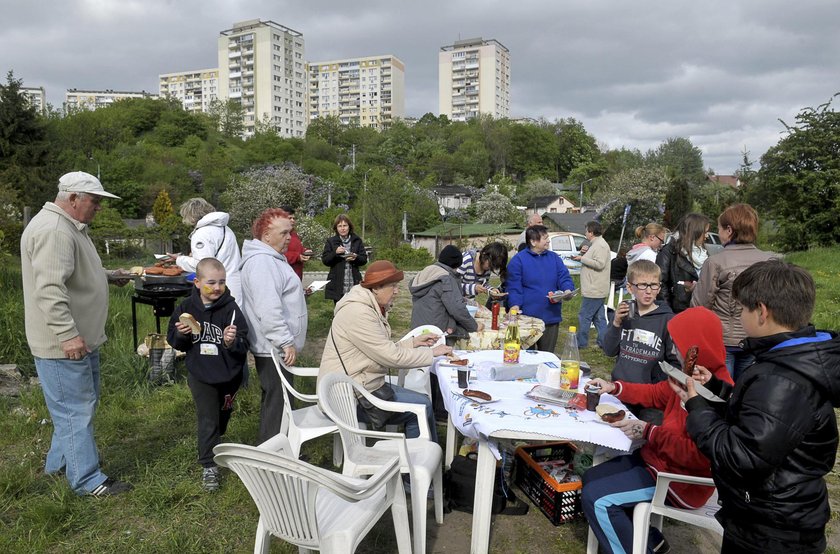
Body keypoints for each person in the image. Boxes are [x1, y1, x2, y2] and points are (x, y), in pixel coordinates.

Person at [680, 260, 840, 554]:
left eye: (742, 309)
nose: (739, 316)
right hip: (775, 515)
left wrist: (697, 408)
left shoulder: (781, 379)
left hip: (772, 528)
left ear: (762, 312)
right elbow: (766, 418)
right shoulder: (792, 359)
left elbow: (740, 456)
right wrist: (717, 388)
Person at [583, 306, 733, 554]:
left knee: (599, 499)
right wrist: (614, 387)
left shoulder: (716, 393)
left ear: (698, 345)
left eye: (678, 343)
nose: (673, 349)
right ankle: (649, 540)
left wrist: (648, 431)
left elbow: (695, 456)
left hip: (680, 482)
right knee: (591, 477)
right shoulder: (688, 374)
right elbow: (655, 393)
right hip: (657, 463)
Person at [20, 171, 133, 496]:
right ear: (72, 198)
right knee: (74, 410)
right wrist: (68, 335)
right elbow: (50, 290)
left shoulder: (69, 227)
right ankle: (87, 481)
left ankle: (58, 466)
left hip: (78, 340)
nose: (98, 208)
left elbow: (71, 273)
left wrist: (108, 276)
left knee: (76, 407)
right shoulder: (55, 230)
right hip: (62, 345)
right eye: (94, 202)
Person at [318, 260, 452, 441]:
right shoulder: (359, 313)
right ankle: (417, 465)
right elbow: (390, 357)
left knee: (422, 402)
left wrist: (414, 342)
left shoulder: (367, 306)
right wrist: (432, 354)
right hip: (348, 398)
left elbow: (380, 349)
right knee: (422, 407)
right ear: (376, 288)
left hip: (362, 385)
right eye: (393, 286)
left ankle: (423, 459)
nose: (397, 291)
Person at [167, 258, 249, 492]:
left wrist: (232, 342)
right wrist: (181, 334)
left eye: (221, 282)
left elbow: (244, 343)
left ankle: (215, 441)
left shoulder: (232, 309)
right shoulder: (185, 309)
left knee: (222, 417)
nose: (217, 288)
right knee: (208, 419)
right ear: (197, 282)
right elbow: (176, 342)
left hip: (228, 376)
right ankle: (209, 466)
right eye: (211, 282)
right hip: (200, 374)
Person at [239, 208, 308, 443]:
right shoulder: (262, 263)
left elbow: (278, 297)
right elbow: (268, 308)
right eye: (284, 233)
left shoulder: (270, 259)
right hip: (273, 346)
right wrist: (284, 341)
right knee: (277, 401)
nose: (289, 237)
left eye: (290, 232)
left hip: (275, 345)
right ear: (267, 235)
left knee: (278, 399)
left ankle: (279, 451)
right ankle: (272, 457)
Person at [691, 203, 775, 379]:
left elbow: (700, 306)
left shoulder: (716, 262)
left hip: (724, 340)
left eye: (719, 229)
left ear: (729, 230)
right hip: (757, 337)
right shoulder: (770, 260)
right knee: (747, 391)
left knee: (720, 393)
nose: (718, 233)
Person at [602, 260, 679, 423]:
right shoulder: (625, 313)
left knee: (645, 443)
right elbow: (609, 350)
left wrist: (662, 386)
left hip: (650, 398)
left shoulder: (668, 319)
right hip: (620, 390)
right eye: (643, 285)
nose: (649, 291)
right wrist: (615, 323)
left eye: (654, 285)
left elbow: (675, 362)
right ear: (630, 288)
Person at [507, 225, 575, 354]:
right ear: (533, 242)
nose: (548, 241)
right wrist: (515, 305)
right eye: (545, 238)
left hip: (551, 316)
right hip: (528, 319)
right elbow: (514, 287)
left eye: (547, 237)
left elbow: (564, 277)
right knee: (527, 356)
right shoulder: (519, 260)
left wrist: (567, 290)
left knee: (547, 355)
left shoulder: (554, 258)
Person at [168, 198, 242, 301]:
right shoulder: (225, 228)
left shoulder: (202, 233)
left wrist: (179, 259)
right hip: (234, 284)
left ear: (191, 216)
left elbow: (202, 265)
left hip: (218, 289)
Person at [410, 245, 482, 344]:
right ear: (456, 265)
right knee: (467, 336)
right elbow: (457, 309)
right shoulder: (446, 278)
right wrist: (474, 326)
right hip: (437, 333)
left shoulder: (427, 272)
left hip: (418, 329)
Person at [656, 213, 710, 314]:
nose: (707, 236)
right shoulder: (669, 252)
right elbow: (661, 285)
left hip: (700, 310)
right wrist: (667, 313)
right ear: (695, 232)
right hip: (678, 312)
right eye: (705, 232)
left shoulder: (704, 253)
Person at [573, 221, 611, 349]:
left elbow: (599, 264)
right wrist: (583, 254)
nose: (585, 234)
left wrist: (581, 259)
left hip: (594, 288)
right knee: (599, 318)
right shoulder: (596, 244)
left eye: (586, 231)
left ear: (591, 232)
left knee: (584, 316)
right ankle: (604, 341)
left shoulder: (600, 245)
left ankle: (581, 342)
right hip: (596, 288)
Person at [322, 214, 368, 304]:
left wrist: (355, 257)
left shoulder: (357, 240)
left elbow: (364, 259)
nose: (342, 228)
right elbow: (325, 260)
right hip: (337, 283)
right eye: (340, 226)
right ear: (336, 228)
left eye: (345, 225)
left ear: (349, 227)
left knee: (355, 309)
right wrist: (335, 253)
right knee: (339, 310)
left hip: (354, 282)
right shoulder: (331, 241)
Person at [280, 206, 312, 281]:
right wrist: (297, 257)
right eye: (290, 218)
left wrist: (305, 251)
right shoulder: (279, 235)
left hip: (297, 278)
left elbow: (298, 249)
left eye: (294, 218)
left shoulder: (294, 234)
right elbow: (278, 255)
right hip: (285, 279)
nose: (293, 220)